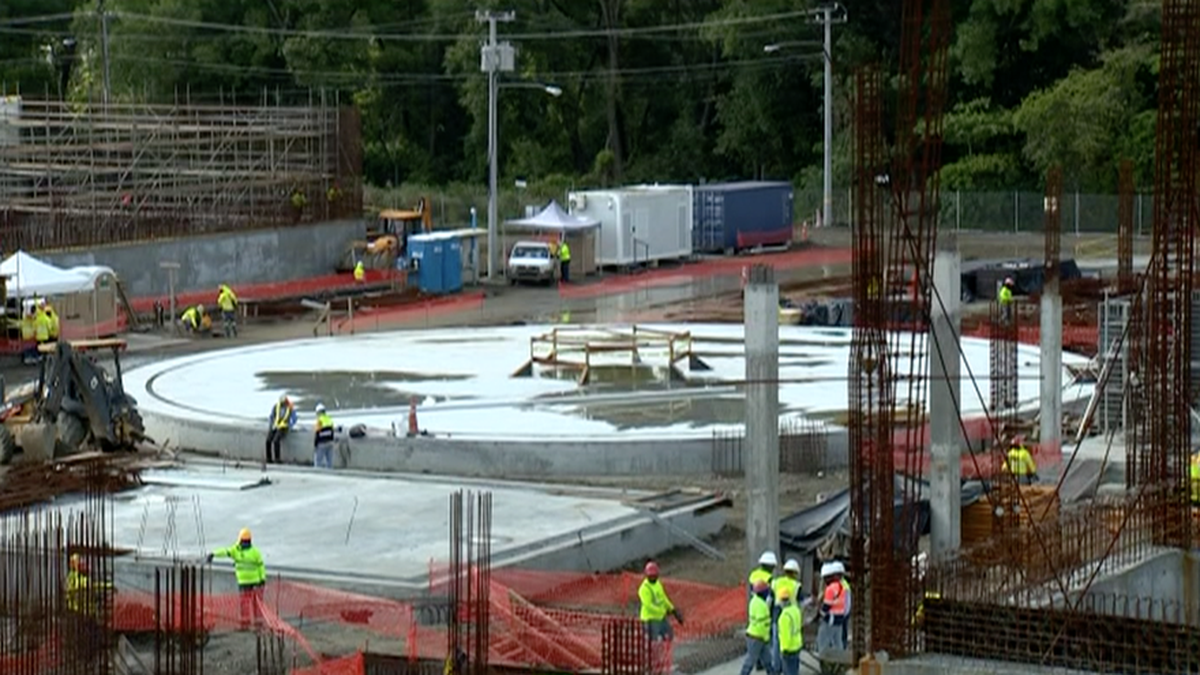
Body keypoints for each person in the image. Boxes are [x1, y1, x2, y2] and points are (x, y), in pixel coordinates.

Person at [206, 528, 266, 630]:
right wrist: (262, 580)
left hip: (245, 582)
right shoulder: (255, 552)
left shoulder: (236, 550)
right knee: (255, 604)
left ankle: (246, 625)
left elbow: (225, 551)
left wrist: (213, 554)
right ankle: (257, 624)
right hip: (255, 581)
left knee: (245, 604)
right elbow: (261, 566)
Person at [638, 561, 683, 674]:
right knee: (653, 642)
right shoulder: (644, 588)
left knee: (669, 636)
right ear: (647, 575)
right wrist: (662, 611)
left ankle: (664, 662)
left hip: (660, 618)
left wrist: (672, 610)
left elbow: (663, 599)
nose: (653, 578)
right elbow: (648, 605)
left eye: (655, 576)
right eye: (651, 576)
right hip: (650, 619)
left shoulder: (658, 584)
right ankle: (652, 666)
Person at [770, 559, 803, 674]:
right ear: (795, 573)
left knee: (776, 642)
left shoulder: (776, 582)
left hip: (776, 614)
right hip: (791, 615)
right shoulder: (796, 585)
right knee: (789, 639)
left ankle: (777, 667)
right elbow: (801, 604)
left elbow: (769, 600)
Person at [738, 580, 775, 675]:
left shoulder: (754, 601)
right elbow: (762, 624)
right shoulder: (761, 605)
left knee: (767, 660)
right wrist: (766, 637)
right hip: (757, 637)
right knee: (751, 660)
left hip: (757, 636)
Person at [817, 562, 848, 653]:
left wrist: (821, 613)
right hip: (840, 618)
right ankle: (840, 662)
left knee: (822, 641)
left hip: (830, 620)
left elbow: (827, 606)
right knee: (838, 642)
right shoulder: (842, 586)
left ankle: (824, 662)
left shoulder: (830, 589)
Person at [776, 586, 803, 675]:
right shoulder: (796, 610)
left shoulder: (784, 617)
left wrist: (784, 649)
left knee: (788, 672)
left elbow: (785, 636)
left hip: (789, 649)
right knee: (795, 670)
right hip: (797, 645)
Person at [265, 395, 297, 464]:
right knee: (268, 440)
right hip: (275, 426)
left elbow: (294, 418)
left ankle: (277, 459)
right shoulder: (276, 406)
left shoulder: (290, 408)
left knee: (276, 440)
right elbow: (271, 416)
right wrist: (271, 425)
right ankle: (269, 458)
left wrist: (290, 425)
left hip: (284, 427)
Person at [313, 403, 336, 469]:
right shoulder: (329, 419)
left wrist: (315, 444)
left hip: (321, 443)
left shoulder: (319, 420)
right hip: (330, 443)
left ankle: (318, 475)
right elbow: (332, 431)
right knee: (329, 462)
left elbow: (317, 433)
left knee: (318, 462)